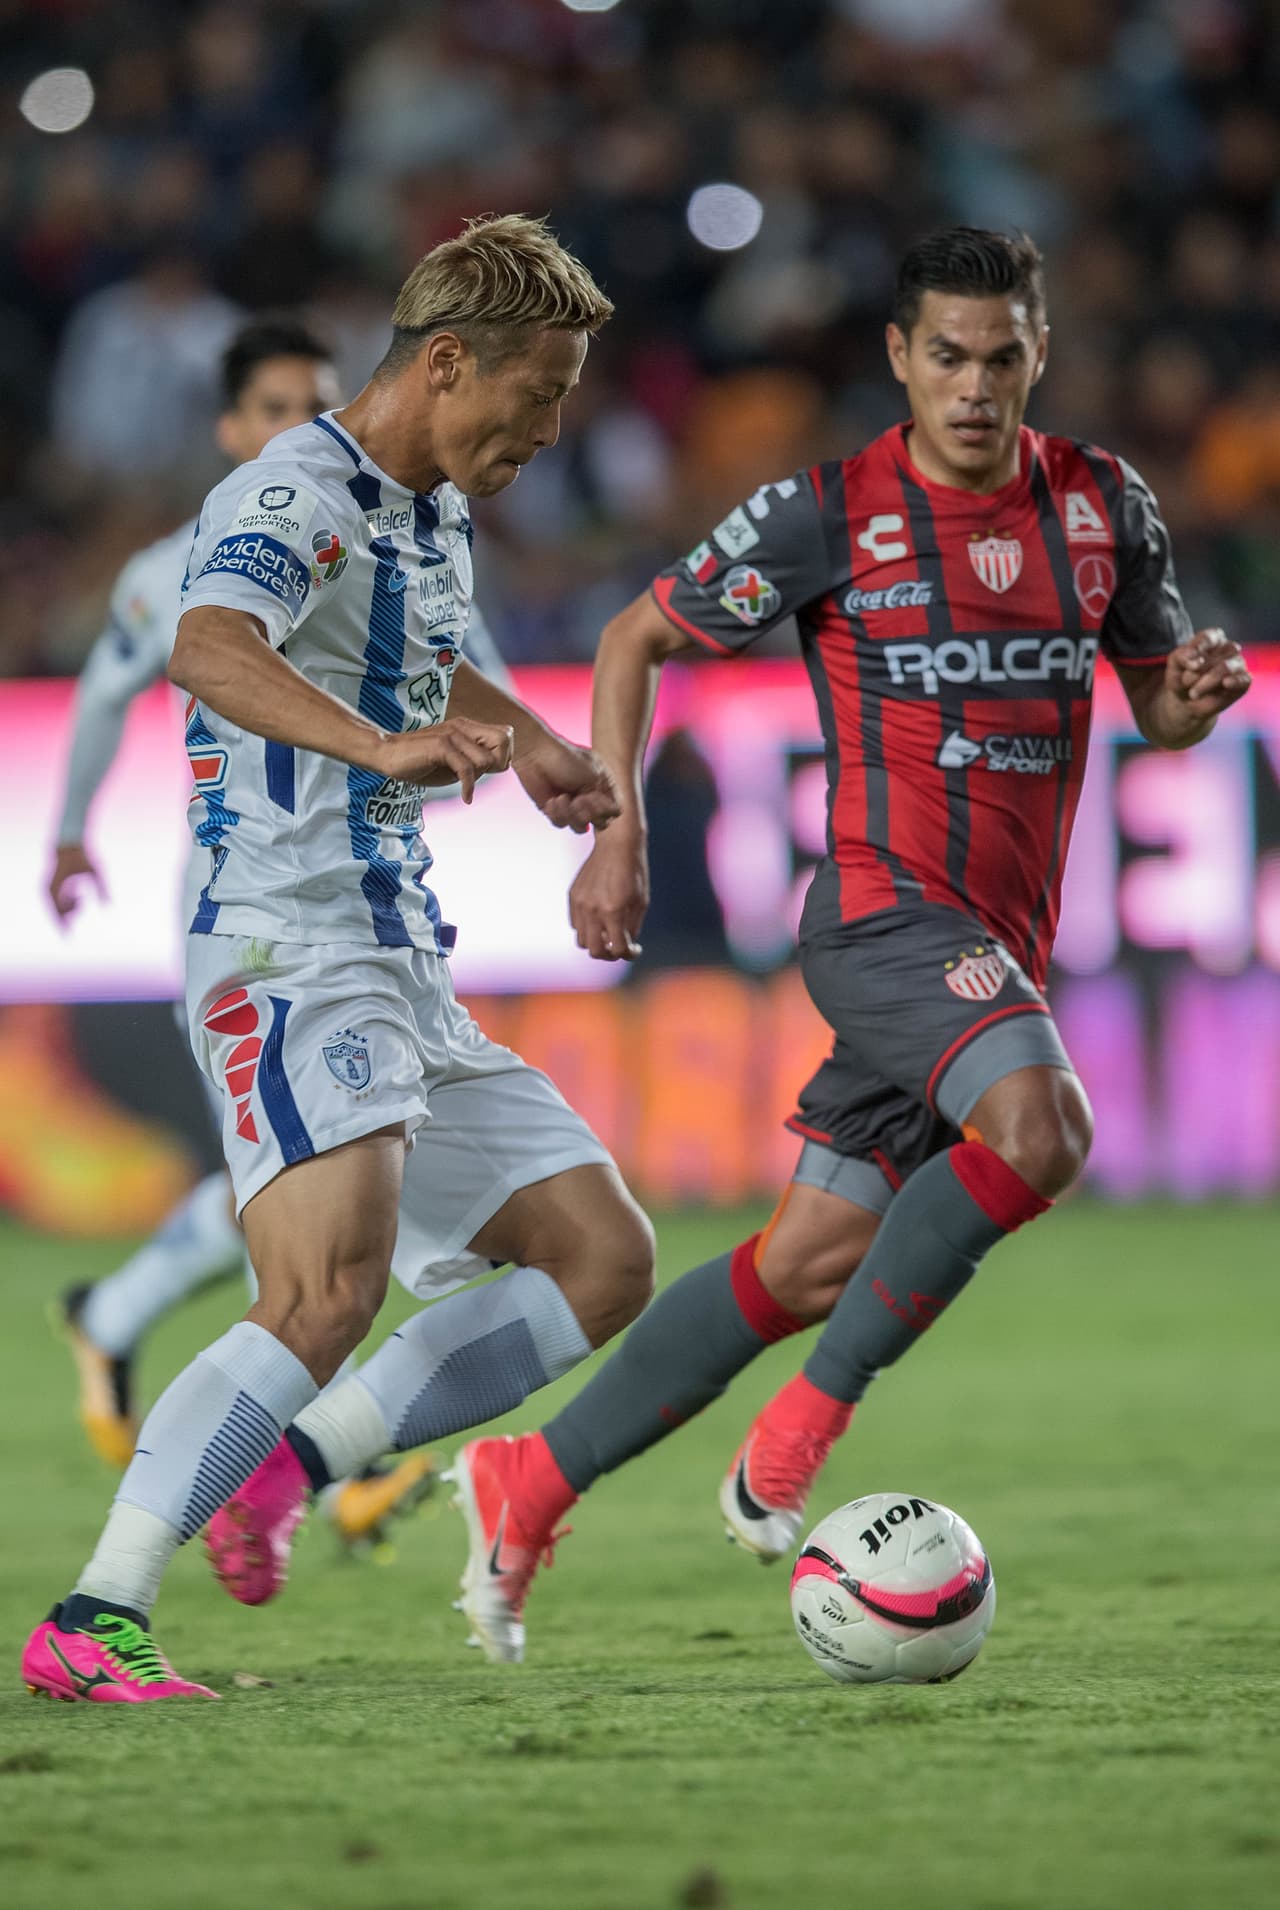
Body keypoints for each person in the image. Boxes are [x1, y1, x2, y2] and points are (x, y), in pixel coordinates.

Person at [438, 226, 1251, 1662]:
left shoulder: (1103, 506)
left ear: (1039, 352)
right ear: (900, 357)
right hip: (882, 917)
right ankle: (797, 1435)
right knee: (1045, 1126)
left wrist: (1194, 690)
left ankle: (531, 1475)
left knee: (811, 1256)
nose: (977, 385)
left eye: (1004, 356)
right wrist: (617, 827)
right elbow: (632, 638)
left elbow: (1160, 702)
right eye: (948, 355)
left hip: (996, 945)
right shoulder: (832, 513)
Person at [22, 213, 654, 1704]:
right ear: (447, 364)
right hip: (285, 941)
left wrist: (546, 741)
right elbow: (212, 641)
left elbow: (415, 651)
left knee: (601, 1254)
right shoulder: (293, 482)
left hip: (396, 946)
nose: (551, 427)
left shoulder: (426, 506)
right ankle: (94, 1612)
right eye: (540, 390)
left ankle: (290, 1462)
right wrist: (386, 746)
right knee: (322, 1290)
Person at [48, 317, 512, 1557]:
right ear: (226, 426)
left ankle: (174, 1348)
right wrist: (69, 832)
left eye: (308, 400)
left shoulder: (402, 523)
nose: (288, 426)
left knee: (338, 1187)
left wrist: (530, 747)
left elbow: (462, 672)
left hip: (372, 898)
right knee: (323, 1200)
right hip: (249, 910)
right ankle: (299, 1457)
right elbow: (106, 688)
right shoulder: (181, 562)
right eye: (266, 407)